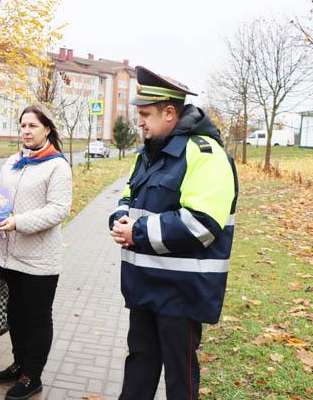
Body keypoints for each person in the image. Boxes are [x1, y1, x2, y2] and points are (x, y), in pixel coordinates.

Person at [109, 66, 238, 400]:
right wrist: (119, 219)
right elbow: (127, 196)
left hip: (181, 293)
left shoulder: (206, 153)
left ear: (169, 113)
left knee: (180, 379)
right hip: (144, 287)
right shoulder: (148, 154)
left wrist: (135, 232)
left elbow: (202, 223)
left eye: (145, 114)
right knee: (139, 365)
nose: (139, 122)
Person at [0, 103, 73, 400]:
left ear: (47, 129)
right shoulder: (13, 161)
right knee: (15, 314)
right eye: (23, 125)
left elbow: (58, 210)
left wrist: (17, 223)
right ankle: (19, 363)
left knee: (37, 318)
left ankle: (32, 375)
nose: (26, 130)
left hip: (39, 260)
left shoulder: (57, 165)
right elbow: (0, 195)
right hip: (8, 255)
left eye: (32, 126)